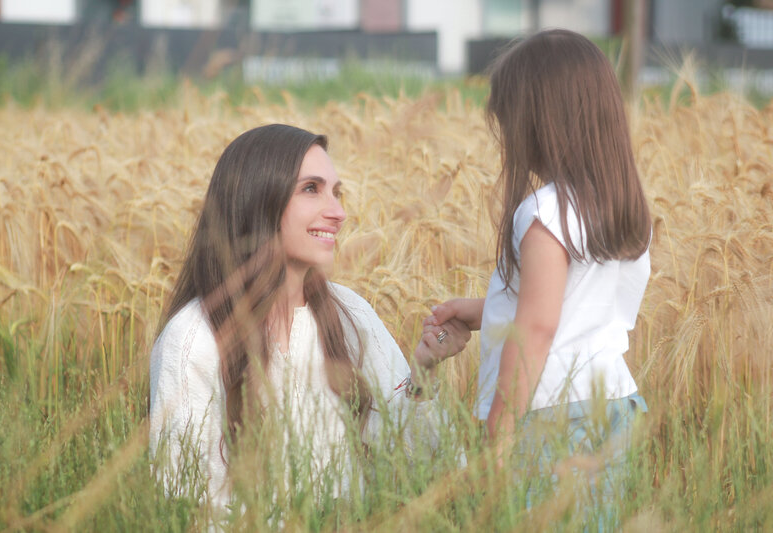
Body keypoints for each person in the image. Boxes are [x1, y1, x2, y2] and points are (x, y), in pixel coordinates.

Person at [148, 124, 469, 515]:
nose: (338, 212)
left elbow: (416, 461)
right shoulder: (193, 340)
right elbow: (194, 502)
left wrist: (423, 372)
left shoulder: (350, 314)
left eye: (337, 192)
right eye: (311, 189)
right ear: (257, 199)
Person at [427, 29, 652, 520]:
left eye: (508, 119)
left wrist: (500, 431)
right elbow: (571, 308)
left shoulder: (545, 211)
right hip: (612, 403)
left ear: (538, 122)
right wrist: (482, 312)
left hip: (551, 416)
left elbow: (537, 327)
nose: (505, 133)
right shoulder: (618, 209)